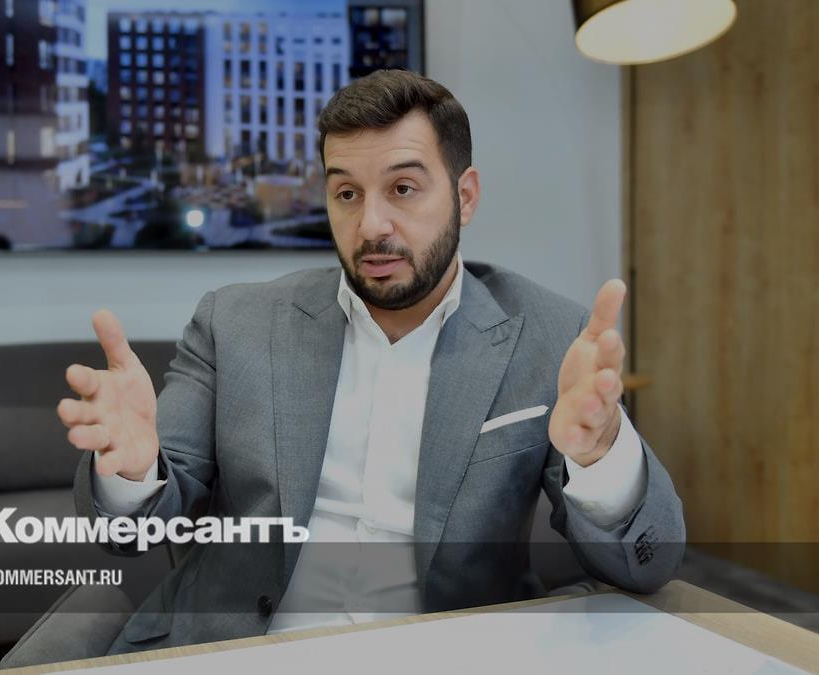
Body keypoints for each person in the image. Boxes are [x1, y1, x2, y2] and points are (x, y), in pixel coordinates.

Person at [57, 69, 685, 654]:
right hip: (239, 650)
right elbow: (130, 531)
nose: (371, 225)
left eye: (403, 189)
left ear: (465, 196)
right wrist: (133, 474)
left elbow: (649, 564)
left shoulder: (547, 337)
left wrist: (601, 457)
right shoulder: (235, 323)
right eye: (347, 194)